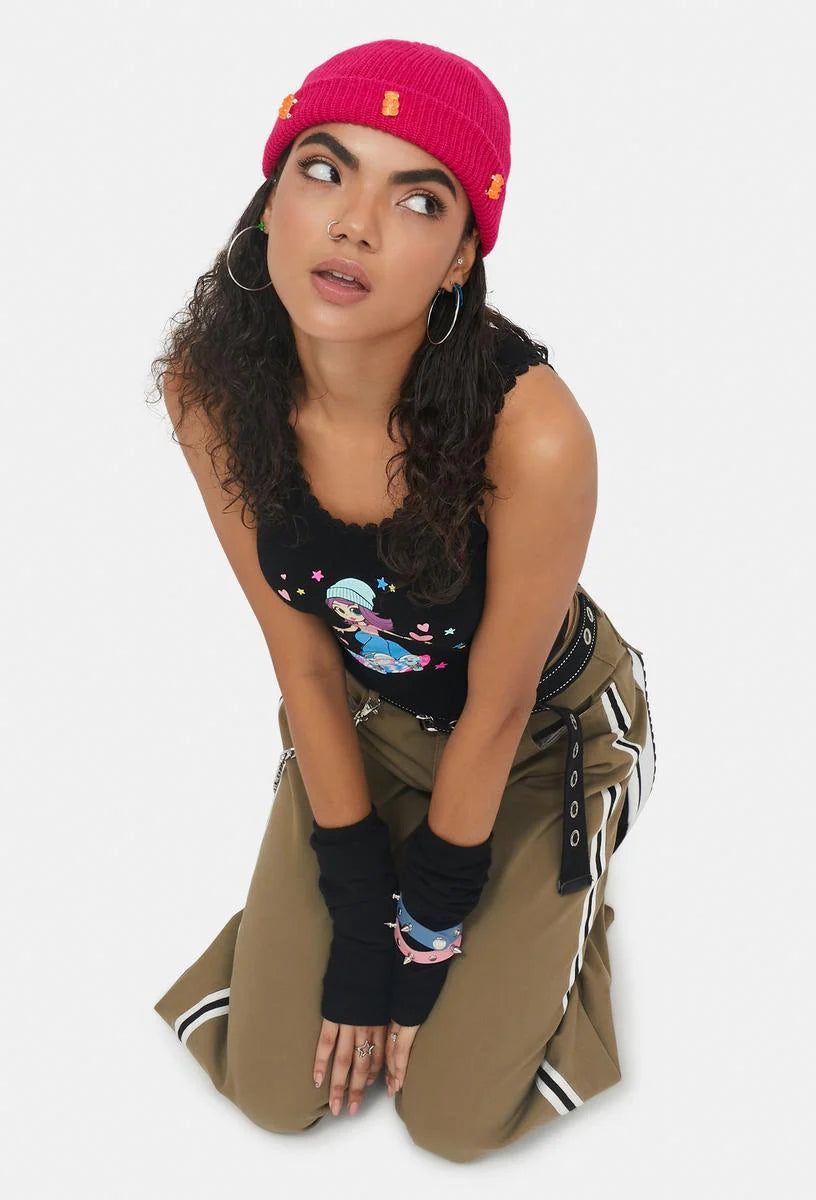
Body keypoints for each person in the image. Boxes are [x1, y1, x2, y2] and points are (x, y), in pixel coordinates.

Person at [149, 38, 657, 1163]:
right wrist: (353, 912)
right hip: (368, 716)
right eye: (323, 171)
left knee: (451, 1123)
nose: (354, 226)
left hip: (542, 738)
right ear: (270, 202)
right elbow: (301, 657)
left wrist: (422, 946)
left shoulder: (534, 434)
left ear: (462, 255)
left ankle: (560, 919)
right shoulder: (208, 389)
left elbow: (499, 706)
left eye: (417, 199)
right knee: (273, 1094)